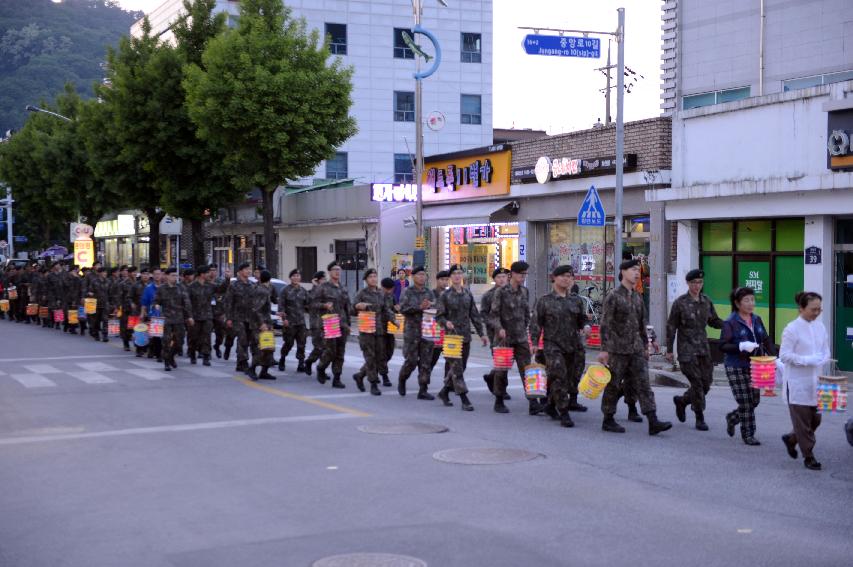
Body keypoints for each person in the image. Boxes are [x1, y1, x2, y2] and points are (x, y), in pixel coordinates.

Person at [598, 259, 672, 435]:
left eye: (638, 270)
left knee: (644, 384)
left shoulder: (638, 297)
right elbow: (605, 324)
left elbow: (642, 322)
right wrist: (604, 349)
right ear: (623, 272)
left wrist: (651, 340)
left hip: (636, 348)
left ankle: (653, 421)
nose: (637, 273)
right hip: (617, 349)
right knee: (614, 384)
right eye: (633, 270)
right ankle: (608, 418)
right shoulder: (613, 296)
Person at [666, 268, 724, 431]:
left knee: (706, 384)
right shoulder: (680, 303)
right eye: (694, 283)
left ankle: (682, 401)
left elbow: (713, 320)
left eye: (699, 282)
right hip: (686, 351)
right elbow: (671, 326)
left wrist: (730, 325)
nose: (697, 286)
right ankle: (699, 417)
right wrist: (669, 350)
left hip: (703, 350)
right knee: (697, 383)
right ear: (688, 283)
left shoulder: (706, 301)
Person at [532, 265, 588, 428]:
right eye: (563, 275)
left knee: (571, 377)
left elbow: (582, 320)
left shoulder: (576, 300)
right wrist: (535, 343)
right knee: (559, 376)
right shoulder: (545, 300)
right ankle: (563, 412)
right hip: (553, 345)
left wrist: (586, 326)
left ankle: (550, 405)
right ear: (554, 278)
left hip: (573, 345)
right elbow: (536, 323)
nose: (566, 278)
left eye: (569, 276)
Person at [780, 291, 830, 470]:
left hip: (816, 381)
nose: (816, 313)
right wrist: (807, 360)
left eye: (819, 309)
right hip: (797, 382)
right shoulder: (791, 328)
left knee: (815, 420)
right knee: (802, 422)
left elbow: (825, 351)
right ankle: (809, 456)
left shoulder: (820, 327)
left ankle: (792, 438)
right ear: (801, 308)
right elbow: (784, 355)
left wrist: (822, 359)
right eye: (813, 309)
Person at [719, 286, 775, 446]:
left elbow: (765, 338)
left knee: (754, 400)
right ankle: (748, 434)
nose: (751, 303)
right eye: (746, 300)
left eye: (752, 299)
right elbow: (722, 345)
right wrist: (741, 346)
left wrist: (773, 357)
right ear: (737, 303)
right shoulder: (730, 322)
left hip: (755, 365)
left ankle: (732, 418)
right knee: (745, 402)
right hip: (735, 366)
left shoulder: (756, 319)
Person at [436, 264, 486, 411]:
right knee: (457, 368)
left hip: (465, 337)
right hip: (452, 338)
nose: (457, 276)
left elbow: (474, 315)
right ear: (450, 277)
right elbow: (439, 316)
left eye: (459, 273)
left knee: (461, 367)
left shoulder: (467, 294)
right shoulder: (445, 295)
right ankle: (464, 399)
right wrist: (446, 322)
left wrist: (481, 334)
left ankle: (444, 392)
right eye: (454, 273)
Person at [490, 261, 537, 415]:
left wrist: (527, 328)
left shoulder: (525, 291)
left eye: (525, 274)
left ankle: (533, 402)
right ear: (512, 274)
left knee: (527, 370)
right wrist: (499, 328)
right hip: (504, 338)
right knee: (501, 371)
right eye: (520, 274)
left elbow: (526, 313)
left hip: (521, 337)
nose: (523, 277)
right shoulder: (501, 292)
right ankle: (499, 400)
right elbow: (494, 314)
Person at [353, 268, 395, 395]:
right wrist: (358, 307)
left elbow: (386, 310)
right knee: (370, 358)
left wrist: (394, 320)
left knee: (379, 358)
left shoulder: (381, 294)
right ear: (366, 279)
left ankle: (360, 376)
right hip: (366, 330)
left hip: (379, 331)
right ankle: (373, 384)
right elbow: (352, 307)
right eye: (370, 276)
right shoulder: (361, 293)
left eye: (375, 276)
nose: (373, 279)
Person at [397, 266, 436, 399]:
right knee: (412, 360)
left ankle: (423, 389)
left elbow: (437, 307)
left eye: (423, 275)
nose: (422, 277)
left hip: (427, 330)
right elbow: (402, 308)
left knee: (426, 361)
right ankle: (402, 378)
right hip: (412, 331)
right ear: (413, 277)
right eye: (419, 275)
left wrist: (432, 305)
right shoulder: (407, 291)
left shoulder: (429, 292)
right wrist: (419, 307)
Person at [312, 262, 352, 388]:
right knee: (331, 351)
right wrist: (324, 305)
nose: (337, 272)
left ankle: (337, 378)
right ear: (329, 272)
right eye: (335, 270)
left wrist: (349, 324)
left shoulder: (343, 287)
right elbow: (312, 304)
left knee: (340, 352)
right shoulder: (323, 287)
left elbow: (347, 307)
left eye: (339, 270)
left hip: (342, 323)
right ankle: (321, 367)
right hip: (329, 322)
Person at [154, 268, 194, 371]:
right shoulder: (161, 288)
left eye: (176, 275)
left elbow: (187, 303)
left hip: (179, 318)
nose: (174, 277)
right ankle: (167, 362)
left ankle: (171, 356)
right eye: (172, 275)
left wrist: (189, 316)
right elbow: (156, 301)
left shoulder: (181, 288)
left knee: (180, 341)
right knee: (166, 341)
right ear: (167, 276)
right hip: (166, 319)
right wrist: (157, 305)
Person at [481, 267, 510, 397]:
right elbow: (484, 314)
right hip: (495, 334)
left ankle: (491, 377)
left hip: (511, 333)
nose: (502, 279)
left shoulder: (513, 293)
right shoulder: (488, 295)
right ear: (494, 279)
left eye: (504, 277)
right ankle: (502, 390)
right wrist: (495, 325)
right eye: (499, 277)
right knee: (501, 362)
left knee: (507, 361)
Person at [224, 262, 256, 373]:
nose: (249, 271)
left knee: (248, 340)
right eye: (246, 269)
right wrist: (228, 318)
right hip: (238, 317)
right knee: (242, 339)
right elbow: (228, 302)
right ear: (240, 271)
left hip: (250, 318)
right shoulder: (234, 285)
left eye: (249, 269)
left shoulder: (252, 285)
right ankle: (244, 362)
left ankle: (239, 363)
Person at [278, 268, 309, 373]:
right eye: (294, 276)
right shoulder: (285, 290)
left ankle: (301, 363)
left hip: (301, 322)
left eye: (298, 276)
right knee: (288, 343)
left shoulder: (303, 291)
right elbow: (281, 306)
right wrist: (284, 319)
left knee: (302, 343)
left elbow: (309, 304)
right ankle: (282, 359)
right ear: (290, 278)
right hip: (289, 322)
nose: (296, 278)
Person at [250, 270, 276, 380]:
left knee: (269, 348)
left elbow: (266, 308)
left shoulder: (264, 289)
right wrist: (262, 323)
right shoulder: (262, 291)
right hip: (260, 324)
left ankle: (264, 371)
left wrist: (275, 313)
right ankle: (252, 369)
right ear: (269, 280)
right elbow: (256, 309)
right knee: (261, 348)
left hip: (267, 322)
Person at [188, 265, 215, 366]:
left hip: (207, 315)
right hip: (195, 316)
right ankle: (192, 354)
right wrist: (188, 316)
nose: (210, 274)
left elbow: (221, 289)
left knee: (206, 337)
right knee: (193, 337)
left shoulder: (210, 285)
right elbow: (187, 302)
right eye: (208, 273)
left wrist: (227, 279)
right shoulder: (191, 287)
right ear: (202, 274)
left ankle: (206, 357)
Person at [303, 271, 327, 376]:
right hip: (316, 324)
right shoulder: (311, 292)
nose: (325, 281)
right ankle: (309, 361)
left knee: (326, 348)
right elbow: (312, 304)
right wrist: (315, 287)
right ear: (317, 280)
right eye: (322, 279)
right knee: (319, 347)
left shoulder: (326, 292)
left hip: (327, 323)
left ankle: (321, 370)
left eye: (325, 279)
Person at [429, 270, 451, 373]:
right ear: (437, 280)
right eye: (442, 279)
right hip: (435, 331)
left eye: (447, 280)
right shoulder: (431, 294)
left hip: (448, 331)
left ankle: (448, 383)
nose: (445, 282)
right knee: (433, 358)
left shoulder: (450, 294)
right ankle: (425, 377)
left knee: (450, 359)